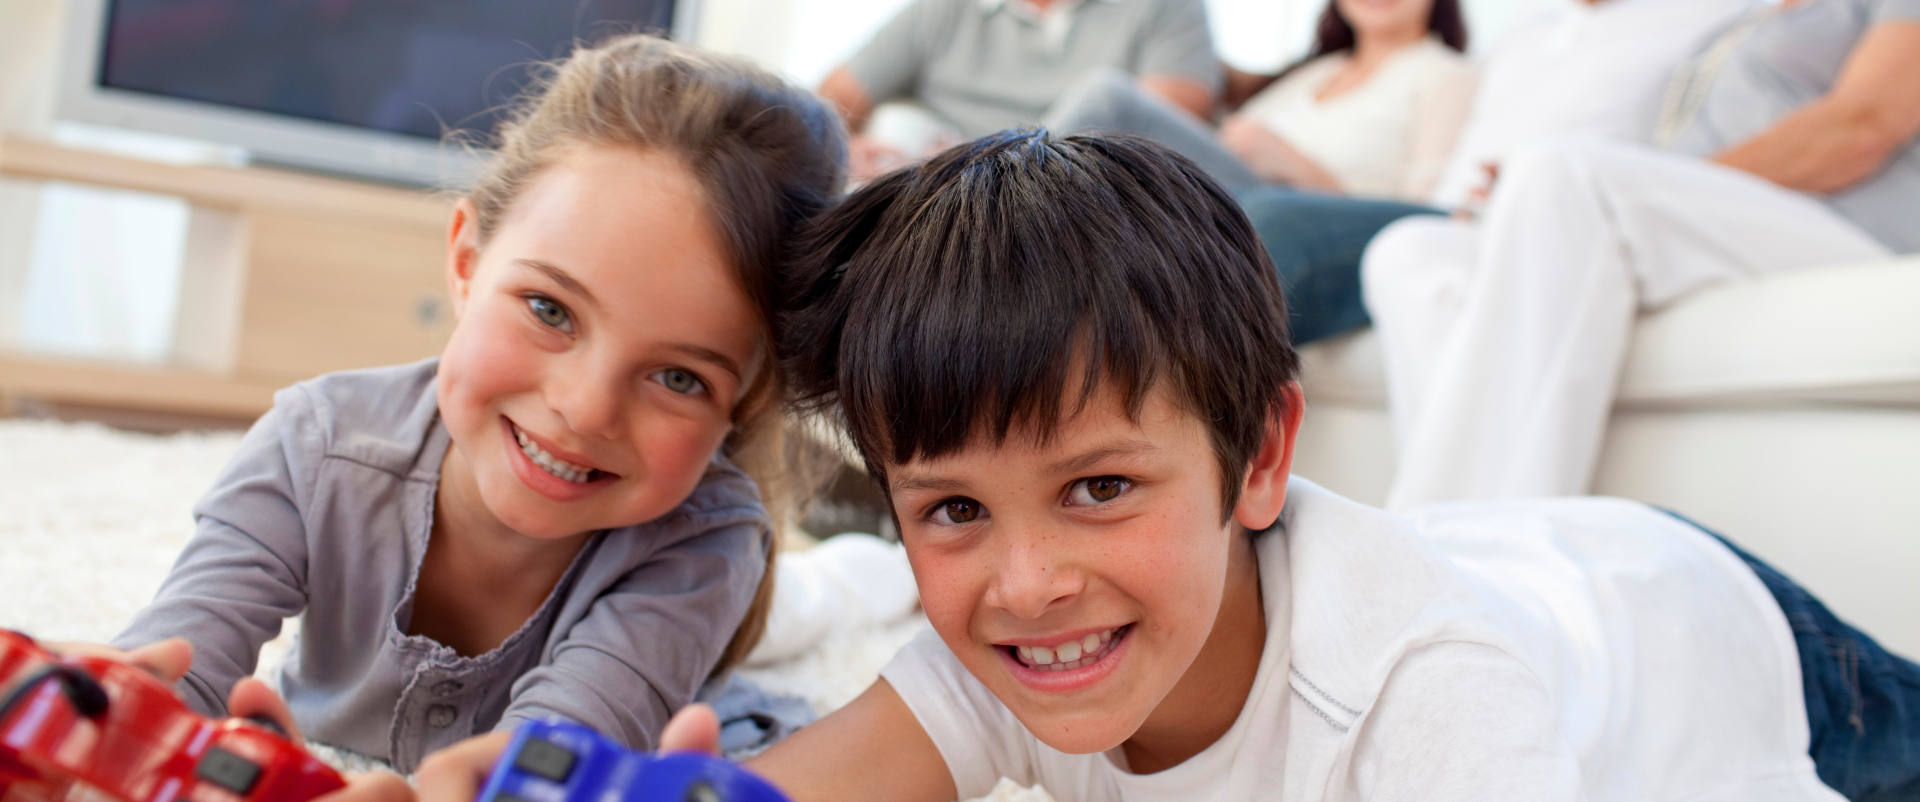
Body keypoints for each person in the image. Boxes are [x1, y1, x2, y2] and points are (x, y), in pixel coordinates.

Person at [312, 131, 1920, 802]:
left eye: (1099, 487)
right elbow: (793, 786)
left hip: (1725, 639)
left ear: (1258, 452)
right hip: (1526, 551)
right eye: (953, 509)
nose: (1028, 584)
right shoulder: (1014, 653)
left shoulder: (1434, 706)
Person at [93, 35, 846, 773]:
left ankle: (856, 574)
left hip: (703, 618)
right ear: (465, 261)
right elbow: (173, 661)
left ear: (751, 400)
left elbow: (550, 762)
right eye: (550, 310)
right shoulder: (314, 443)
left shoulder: (704, 542)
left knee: (816, 603)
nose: (585, 410)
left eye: (679, 378)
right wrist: (112, 712)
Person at [1361, 0, 1920, 509]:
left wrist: (1652, 181)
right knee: (1413, 252)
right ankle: (1453, 524)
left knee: (1565, 174)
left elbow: (1863, 126)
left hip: (1846, 226)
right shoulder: (1745, 13)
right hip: (1723, 219)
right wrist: (1523, 199)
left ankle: (1453, 557)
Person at [1215, 0, 1755, 344]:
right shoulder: (1527, 30)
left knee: (1264, 221)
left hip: (1465, 212)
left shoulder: (1705, 18)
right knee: (1202, 213)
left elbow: (1418, 191)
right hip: (1459, 208)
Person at [816, 0, 1220, 182]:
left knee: (1107, 96)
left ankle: (989, 174)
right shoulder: (942, 10)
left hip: (1090, 194)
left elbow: (1152, 147)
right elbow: (829, 102)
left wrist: (964, 165)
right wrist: (846, 148)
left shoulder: (1162, 6)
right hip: (967, 206)